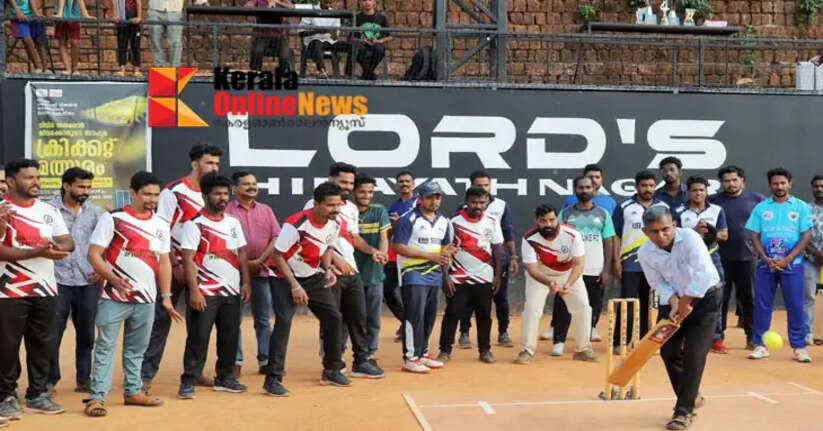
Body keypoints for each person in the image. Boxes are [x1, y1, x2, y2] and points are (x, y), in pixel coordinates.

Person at [84, 171, 181, 417]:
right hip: (114, 297)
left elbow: (164, 262)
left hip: (147, 299)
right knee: (105, 347)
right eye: (147, 194)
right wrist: (113, 280)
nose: (152, 199)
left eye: (156, 195)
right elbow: (94, 254)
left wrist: (166, 297)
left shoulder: (160, 224)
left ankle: (133, 391)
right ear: (132, 193)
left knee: (137, 349)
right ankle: (97, 398)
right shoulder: (113, 219)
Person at [142, 144, 221, 393]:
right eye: (209, 163)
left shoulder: (214, 194)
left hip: (203, 270)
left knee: (200, 324)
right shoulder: (174, 192)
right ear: (195, 164)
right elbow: (161, 228)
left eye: (217, 163)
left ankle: (195, 372)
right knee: (160, 321)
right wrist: (173, 262)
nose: (214, 168)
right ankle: (143, 376)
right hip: (173, 267)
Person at [0, 159, 74, 418]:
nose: (36, 183)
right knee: (6, 347)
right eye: (29, 178)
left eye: (38, 178)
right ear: (10, 181)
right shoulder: (2, 210)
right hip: (8, 291)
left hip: (45, 289)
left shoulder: (49, 210)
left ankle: (37, 395)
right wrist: (38, 251)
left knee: (42, 344)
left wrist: (58, 249)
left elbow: (67, 240)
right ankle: (6, 397)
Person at [638, 205, 721, 431]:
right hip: (674, 302)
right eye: (654, 232)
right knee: (668, 351)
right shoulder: (645, 252)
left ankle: (683, 412)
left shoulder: (691, 238)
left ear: (674, 225)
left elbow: (703, 273)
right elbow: (657, 283)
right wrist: (674, 301)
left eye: (665, 229)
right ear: (645, 232)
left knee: (694, 354)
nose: (661, 236)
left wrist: (686, 303)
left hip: (706, 300)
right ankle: (691, 396)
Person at [263, 182, 349, 396]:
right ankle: (273, 379)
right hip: (283, 278)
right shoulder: (296, 223)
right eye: (330, 205)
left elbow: (327, 247)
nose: (336, 209)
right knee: (283, 322)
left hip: (312, 276)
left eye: (338, 205)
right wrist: (294, 286)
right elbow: (277, 254)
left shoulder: (333, 223)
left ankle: (331, 369)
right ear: (316, 204)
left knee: (334, 318)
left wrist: (327, 267)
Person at [303, 163, 386, 379]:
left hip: (352, 271)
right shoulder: (313, 206)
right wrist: (336, 261)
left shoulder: (349, 208)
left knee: (359, 317)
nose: (348, 187)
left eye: (351, 183)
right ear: (330, 180)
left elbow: (354, 237)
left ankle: (361, 361)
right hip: (329, 273)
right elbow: (312, 241)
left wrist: (372, 251)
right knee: (333, 320)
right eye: (343, 182)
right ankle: (333, 365)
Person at [178, 174, 251, 399]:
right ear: (205, 195)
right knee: (198, 337)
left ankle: (225, 378)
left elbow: (242, 253)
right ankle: (188, 380)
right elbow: (188, 259)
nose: (222, 198)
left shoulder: (233, 223)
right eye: (217, 193)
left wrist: (246, 282)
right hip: (205, 292)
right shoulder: (194, 224)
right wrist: (194, 290)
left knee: (229, 336)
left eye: (225, 193)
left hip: (231, 291)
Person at [515, 204, 597, 364]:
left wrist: (568, 283)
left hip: (568, 274)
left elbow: (579, 263)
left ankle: (583, 349)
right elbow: (531, 268)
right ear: (536, 221)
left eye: (551, 220)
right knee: (532, 308)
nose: (548, 224)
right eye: (543, 221)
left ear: (557, 219)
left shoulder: (572, 234)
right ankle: (527, 350)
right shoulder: (529, 238)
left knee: (583, 307)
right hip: (540, 275)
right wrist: (549, 282)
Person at [746, 168, 812, 362]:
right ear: (770, 185)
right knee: (762, 304)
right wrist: (765, 257)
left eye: (783, 183)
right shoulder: (761, 208)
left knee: (795, 305)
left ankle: (799, 347)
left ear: (789, 184)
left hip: (792, 265)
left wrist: (787, 259)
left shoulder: (800, 207)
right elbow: (754, 235)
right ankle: (760, 345)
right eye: (775, 183)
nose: (779, 187)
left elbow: (805, 235)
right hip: (766, 265)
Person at [48, 168, 104, 394]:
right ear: (66, 185)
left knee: (87, 334)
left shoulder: (96, 213)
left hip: (88, 280)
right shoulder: (49, 211)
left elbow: (107, 242)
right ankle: (49, 381)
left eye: (89, 187)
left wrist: (103, 268)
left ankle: (84, 379)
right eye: (81, 186)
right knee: (52, 333)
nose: (86, 191)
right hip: (56, 280)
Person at [548, 176, 615, 356]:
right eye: (580, 188)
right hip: (568, 270)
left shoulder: (603, 214)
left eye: (588, 187)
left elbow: (609, 242)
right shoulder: (566, 214)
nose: (584, 191)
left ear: (594, 190)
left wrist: (607, 269)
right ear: (574, 190)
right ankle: (559, 342)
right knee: (563, 306)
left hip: (594, 268)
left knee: (589, 307)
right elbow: (557, 239)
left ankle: (583, 344)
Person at [393, 181, 454, 373]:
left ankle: (423, 353)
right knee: (414, 316)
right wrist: (429, 256)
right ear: (420, 199)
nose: (434, 201)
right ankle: (410, 358)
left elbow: (445, 246)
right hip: (412, 273)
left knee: (428, 317)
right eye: (430, 197)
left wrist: (448, 251)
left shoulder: (444, 221)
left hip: (434, 274)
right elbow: (398, 247)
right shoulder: (408, 219)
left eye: (438, 197)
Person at [437, 186, 503, 363]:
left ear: (487, 203)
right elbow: (445, 250)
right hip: (458, 276)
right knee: (453, 313)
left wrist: (497, 276)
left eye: (482, 202)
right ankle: (444, 351)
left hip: (485, 276)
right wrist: (445, 277)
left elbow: (497, 249)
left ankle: (485, 350)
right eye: (474, 202)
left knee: (484, 315)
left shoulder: (492, 221)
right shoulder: (454, 223)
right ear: (466, 202)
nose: (478, 206)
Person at [225, 171, 280, 376]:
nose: (252, 187)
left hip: (262, 272)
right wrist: (246, 263)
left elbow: (276, 237)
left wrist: (260, 261)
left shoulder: (266, 210)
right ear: (234, 188)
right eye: (246, 184)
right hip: (233, 274)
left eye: (254, 184)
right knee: (233, 319)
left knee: (264, 319)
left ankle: (265, 359)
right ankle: (235, 361)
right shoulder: (227, 212)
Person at [457, 170, 518, 349]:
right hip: (472, 261)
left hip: (498, 260)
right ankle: (464, 333)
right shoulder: (463, 206)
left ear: (490, 185)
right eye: (478, 185)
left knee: (501, 298)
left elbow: (508, 231)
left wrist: (513, 256)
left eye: (486, 185)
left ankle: (503, 332)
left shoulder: (501, 205)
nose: (483, 188)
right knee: (467, 299)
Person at [709, 165, 764, 349]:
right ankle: (717, 338)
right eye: (726, 181)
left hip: (748, 258)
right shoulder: (713, 201)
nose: (730, 184)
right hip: (720, 258)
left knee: (749, 298)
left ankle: (753, 338)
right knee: (720, 299)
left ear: (742, 181)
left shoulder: (756, 200)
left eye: (734, 180)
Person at [613, 170, 669, 346]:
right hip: (630, 264)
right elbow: (616, 235)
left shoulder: (663, 207)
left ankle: (644, 340)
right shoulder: (624, 206)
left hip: (655, 263)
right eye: (644, 185)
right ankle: (620, 341)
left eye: (651, 186)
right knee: (627, 303)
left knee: (648, 304)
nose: (648, 189)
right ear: (636, 187)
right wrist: (616, 261)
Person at [674, 176, 729, 354]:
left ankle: (716, 338)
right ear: (689, 192)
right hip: (687, 262)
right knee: (688, 297)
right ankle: (684, 337)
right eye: (694, 190)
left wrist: (710, 232)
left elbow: (724, 235)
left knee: (716, 299)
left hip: (713, 259)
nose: (698, 193)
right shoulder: (679, 211)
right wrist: (694, 233)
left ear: (706, 191)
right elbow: (675, 236)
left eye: (701, 190)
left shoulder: (717, 210)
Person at [352, 174, 390, 356]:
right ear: (353, 191)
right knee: (350, 317)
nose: (366, 195)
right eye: (362, 192)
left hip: (375, 274)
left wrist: (382, 253)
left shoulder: (379, 210)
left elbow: (384, 238)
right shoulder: (347, 210)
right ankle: (343, 353)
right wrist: (373, 252)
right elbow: (353, 239)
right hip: (351, 273)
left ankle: (370, 352)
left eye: (370, 192)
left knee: (373, 317)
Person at [385, 170, 416, 341]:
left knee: (409, 293)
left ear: (413, 183)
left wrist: (402, 222)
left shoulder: (421, 203)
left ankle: (410, 327)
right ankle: (407, 321)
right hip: (394, 255)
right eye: (401, 182)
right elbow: (388, 233)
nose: (404, 184)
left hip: (414, 255)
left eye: (407, 181)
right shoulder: (393, 207)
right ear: (397, 185)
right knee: (387, 291)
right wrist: (392, 226)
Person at [148, 0, 206, 67]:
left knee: (176, 42)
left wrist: (201, 1)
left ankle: (174, 68)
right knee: (155, 41)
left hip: (175, 10)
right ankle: (159, 68)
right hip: (155, 9)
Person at [346, 0, 392, 80]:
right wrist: (362, 40)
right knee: (358, 49)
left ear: (374, 2)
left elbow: (389, 36)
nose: (367, 2)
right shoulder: (357, 18)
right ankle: (369, 73)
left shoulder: (382, 18)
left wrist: (378, 41)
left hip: (376, 44)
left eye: (370, 0)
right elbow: (352, 37)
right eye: (364, 0)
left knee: (379, 49)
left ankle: (366, 73)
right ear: (361, 3)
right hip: (362, 45)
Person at [299, 0, 344, 78]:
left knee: (346, 45)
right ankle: (322, 70)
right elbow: (301, 33)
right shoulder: (311, 11)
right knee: (317, 42)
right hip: (313, 42)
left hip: (329, 42)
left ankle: (347, 74)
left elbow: (335, 37)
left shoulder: (335, 13)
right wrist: (317, 31)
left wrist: (333, 33)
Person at [247, 0, 294, 72]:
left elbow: (292, 7)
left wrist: (277, 2)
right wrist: (264, 8)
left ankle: (283, 74)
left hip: (278, 35)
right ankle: (255, 72)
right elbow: (247, 6)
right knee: (257, 50)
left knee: (286, 51)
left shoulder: (281, 1)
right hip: (261, 34)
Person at [804, 175, 823, 345]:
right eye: (816, 186)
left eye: (822, 186)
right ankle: (808, 332)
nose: (819, 189)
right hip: (810, 259)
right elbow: (800, 235)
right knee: (809, 296)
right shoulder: (806, 209)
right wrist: (815, 253)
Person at [9, 0, 48, 73]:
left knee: (40, 39)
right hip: (17, 17)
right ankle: (38, 67)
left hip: (31, 15)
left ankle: (45, 68)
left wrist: (36, 13)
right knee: (27, 39)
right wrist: (18, 11)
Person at [54, 0, 91, 75]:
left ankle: (75, 69)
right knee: (62, 42)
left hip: (73, 14)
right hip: (61, 14)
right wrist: (59, 12)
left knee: (75, 42)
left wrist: (85, 13)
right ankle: (68, 69)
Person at [111, 0, 142, 76]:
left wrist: (139, 17)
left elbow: (138, 2)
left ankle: (136, 69)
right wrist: (115, 15)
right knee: (122, 45)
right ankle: (121, 69)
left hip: (133, 19)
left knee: (135, 46)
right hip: (122, 20)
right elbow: (114, 2)